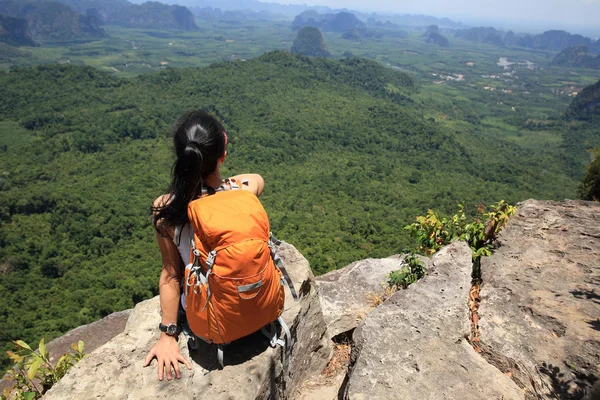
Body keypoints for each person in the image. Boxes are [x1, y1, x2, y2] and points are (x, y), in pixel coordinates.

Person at [143, 110, 264, 381]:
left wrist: (167, 336)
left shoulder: (165, 209)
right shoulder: (244, 191)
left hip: (209, 319)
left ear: (182, 157)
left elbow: (171, 275)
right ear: (223, 152)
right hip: (256, 302)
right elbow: (257, 178)